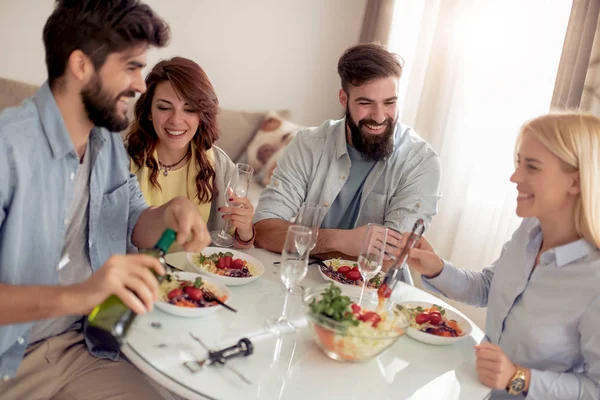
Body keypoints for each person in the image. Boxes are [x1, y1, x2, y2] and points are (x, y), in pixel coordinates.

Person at [0, 1, 211, 399]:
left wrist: (170, 213)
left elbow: (134, 218)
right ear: (81, 66)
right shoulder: (8, 147)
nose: (140, 85)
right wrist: (81, 294)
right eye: (130, 66)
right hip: (12, 360)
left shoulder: (107, 140)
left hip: (87, 345)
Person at [406, 113, 600, 399]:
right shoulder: (529, 230)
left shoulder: (593, 280)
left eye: (531, 167)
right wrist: (437, 269)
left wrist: (517, 378)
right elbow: (488, 287)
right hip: (473, 389)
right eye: (519, 163)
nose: (515, 177)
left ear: (576, 182)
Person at [253, 43, 441, 277]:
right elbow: (263, 230)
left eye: (389, 102)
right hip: (301, 281)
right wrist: (341, 240)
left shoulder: (420, 162)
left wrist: (305, 242)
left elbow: (387, 262)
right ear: (344, 99)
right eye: (365, 103)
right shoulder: (308, 145)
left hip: (371, 298)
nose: (380, 116)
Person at [126, 57, 255, 250]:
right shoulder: (120, 161)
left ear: (202, 115)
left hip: (198, 277)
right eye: (164, 107)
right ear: (148, 111)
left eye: (189, 109)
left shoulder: (220, 164)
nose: (176, 120)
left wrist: (245, 230)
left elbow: (234, 246)